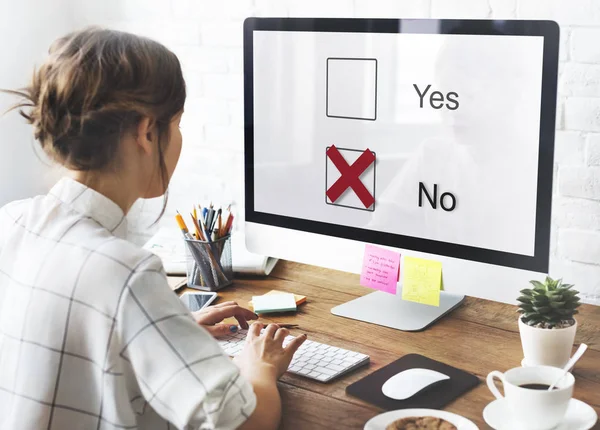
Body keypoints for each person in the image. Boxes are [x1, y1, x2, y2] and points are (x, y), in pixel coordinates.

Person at [0, 27, 306, 430]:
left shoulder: (11, 221)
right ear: (147, 132)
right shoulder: (126, 272)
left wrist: (164, 330)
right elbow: (246, 422)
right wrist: (259, 366)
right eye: (176, 124)